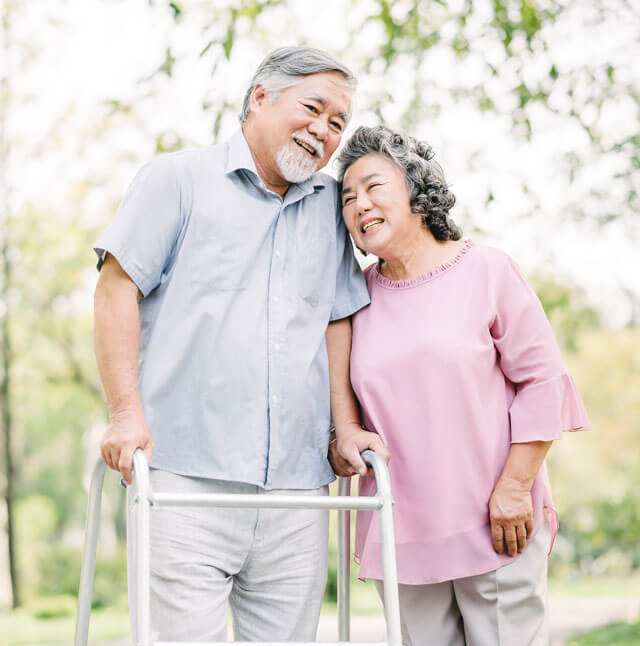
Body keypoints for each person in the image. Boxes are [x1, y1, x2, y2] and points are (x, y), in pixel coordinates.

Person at [93, 47, 388, 643]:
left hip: (298, 491)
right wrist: (125, 415)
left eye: (338, 123)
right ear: (260, 97)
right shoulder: (176, 179)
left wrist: (344, 427)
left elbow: (335, 322)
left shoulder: (332, 207)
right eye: (313, 108)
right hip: (184, 481)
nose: (323, 131)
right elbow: (115, 290)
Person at [332, 125, 590, 645]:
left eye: (374, 187)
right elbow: (345, 409)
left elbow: (543, 381)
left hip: (496, 521)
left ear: (417, 191)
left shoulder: (487, 271)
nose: (360, 204)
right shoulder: (353, 300)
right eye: (347, 197)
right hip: (400, 531)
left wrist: (517, 488)